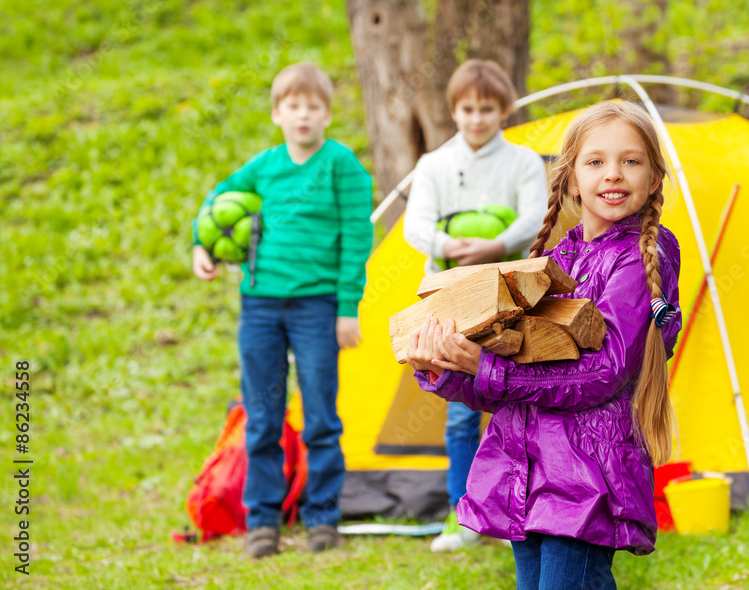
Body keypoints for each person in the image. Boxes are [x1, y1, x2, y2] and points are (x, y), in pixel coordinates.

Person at [406, 100, 683, 589]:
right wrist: (451, 367)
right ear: (572, 179)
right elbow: (509, 386)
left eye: (631, 161)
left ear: (654, 177)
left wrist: (489, 367)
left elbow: (604, 373)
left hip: (584, 473)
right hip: (524, 467)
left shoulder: (642, 256)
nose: (613, 174)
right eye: (595, 161)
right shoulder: (555, 259)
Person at [191, 62, 373, 559]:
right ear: (277, 113)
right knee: (264, 415)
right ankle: (263, 518)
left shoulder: (342, 166)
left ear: (327, 115)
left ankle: (322, 516)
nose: (303, 115)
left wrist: (346, 308)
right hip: (260, 307)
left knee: (319, 415)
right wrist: (200, 246)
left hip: (317, 309)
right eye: (293, 106)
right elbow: (214, 203)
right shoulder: (264, 166)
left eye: (313, 107)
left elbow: (358, 240)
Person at [403, 59, 547, 552]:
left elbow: (534, 215)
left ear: (503, 109)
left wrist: (496, 244)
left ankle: (517, 512)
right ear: (454, 111)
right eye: (467, 109)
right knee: (463, 408)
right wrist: (448, 244)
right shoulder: (434, 165)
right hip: (451, 299)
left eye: (487, 109)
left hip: (510, 296)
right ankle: (462, 515)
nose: (477, 118)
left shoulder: (523, 161)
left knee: (516, 401)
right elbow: (415, 225)